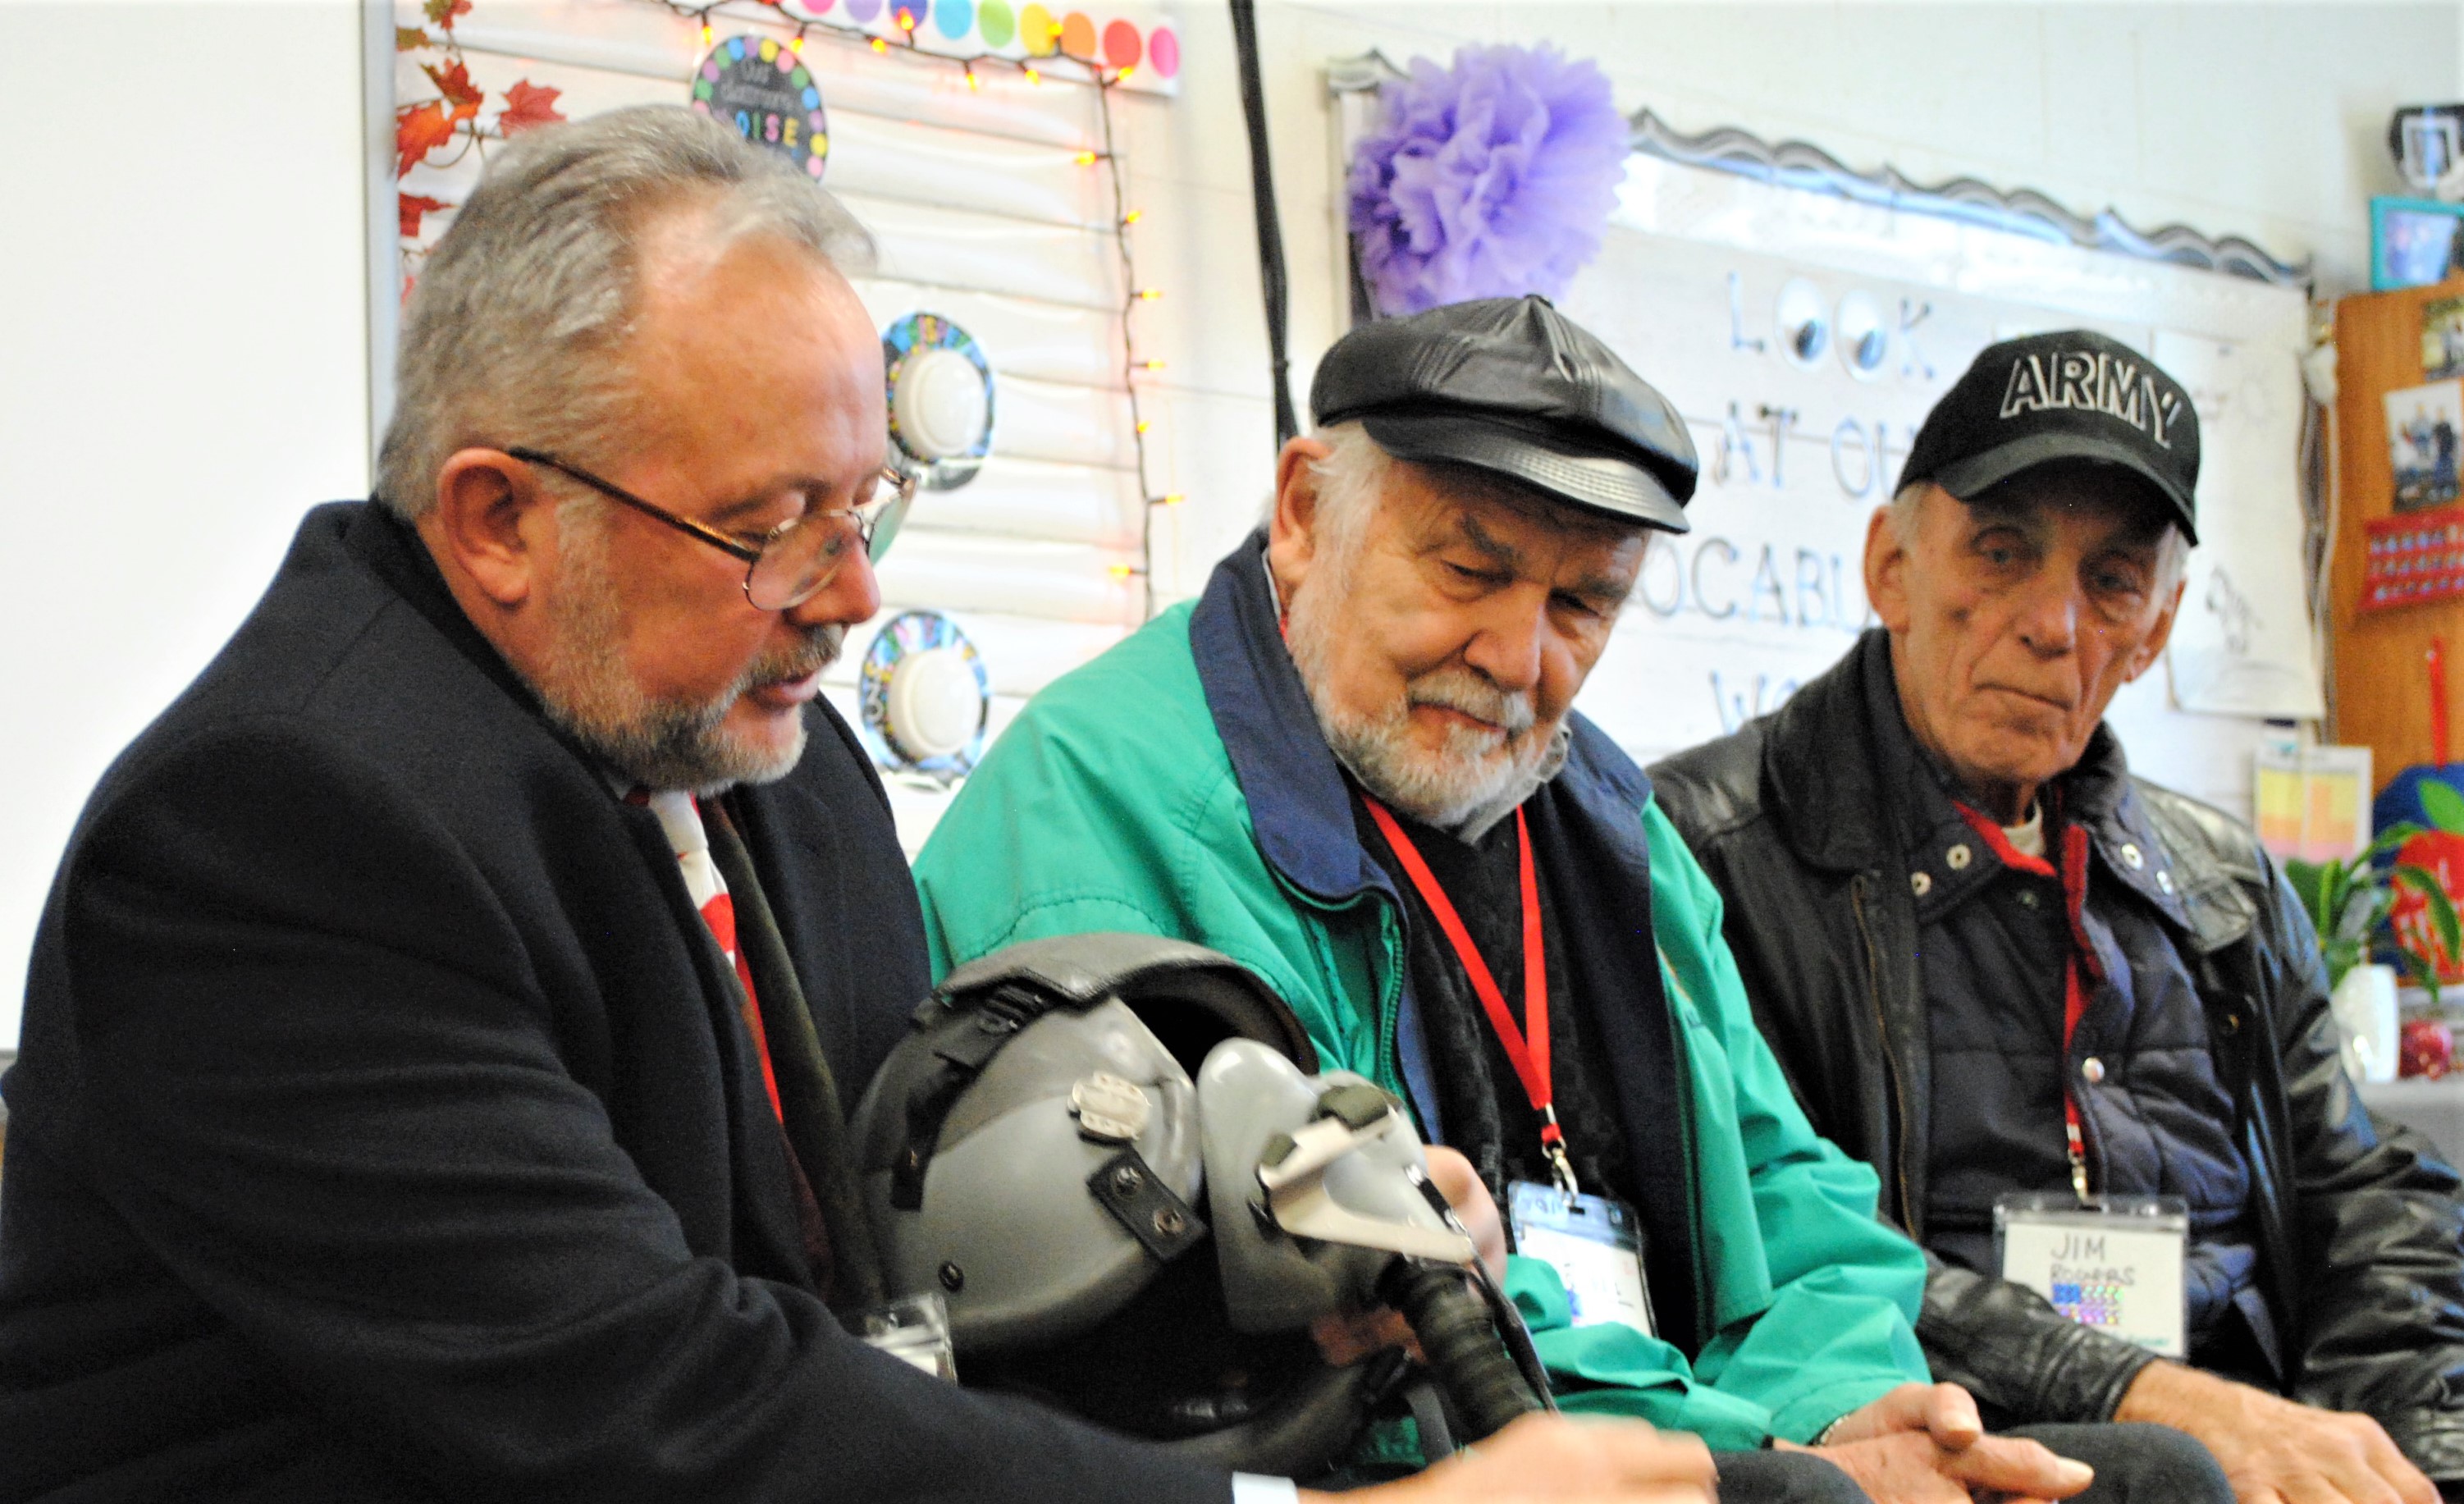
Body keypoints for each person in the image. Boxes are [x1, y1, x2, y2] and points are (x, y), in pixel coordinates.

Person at [0, 109, 1717, 1504]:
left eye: (864, 507)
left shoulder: (772, 752)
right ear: (498, 516)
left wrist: (1281, 1306)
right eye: (770, 526)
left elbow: (888, 1286)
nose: (847, 600)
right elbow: (662, 1406)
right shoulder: (277, 829)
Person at [913, 295, 2229, 1504]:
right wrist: (1750, 1444)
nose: (1517, 659)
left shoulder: (1599, 810)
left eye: (1583, 603)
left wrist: (1846, 1401)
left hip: (1644, 1415)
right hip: (1361, 1452)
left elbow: (1788, 1181)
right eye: (1469, 572)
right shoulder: (1113, 806)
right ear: (1307, 512)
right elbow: (1370, 1272)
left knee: (2158, 1482)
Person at [1648, 329, 2464, 1504]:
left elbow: (2366, 1209)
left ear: (2159, 628)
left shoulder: (2223, 885)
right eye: (2001, 550)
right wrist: (2145, 1394)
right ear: (1891, 565)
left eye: (2112, 580)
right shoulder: (1712, 853)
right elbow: (1781, 1239)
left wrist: (2423, 1465)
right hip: (1959, 1452)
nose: (2054, 623)